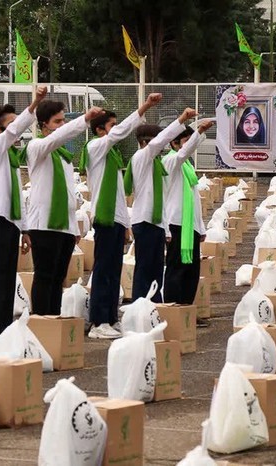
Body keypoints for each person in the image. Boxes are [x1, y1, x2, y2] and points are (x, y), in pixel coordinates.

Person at [80, 93, 162, 339]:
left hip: (116, 219)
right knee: (103, 271)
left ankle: (111, 318)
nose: (116, 130)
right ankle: (98, 322)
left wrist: (125, 224)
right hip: (104, 219)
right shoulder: (95, 148)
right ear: (99, 130)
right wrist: (144, 106)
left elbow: (118, 196)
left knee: (114, 271)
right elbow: (120, 133)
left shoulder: (113, 157)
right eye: (111, 125)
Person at [0, 86, 47, 342]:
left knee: (8, 277)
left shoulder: (12, 158)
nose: (17, 129)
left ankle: (5, 330)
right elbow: (15, 130)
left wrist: (25, 230)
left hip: (12, 223)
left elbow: (19, 196)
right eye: (11, 124)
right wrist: (35, 103)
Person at [25, 101, 104, 316]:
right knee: (44, 275)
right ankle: (42, 320)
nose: (62, 125)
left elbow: (69, 194)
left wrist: (74, 227)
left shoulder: (64, 157)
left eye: (63, 120)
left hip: (65, 226)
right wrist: (84, 119)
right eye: (57, 121)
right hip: (44, 224)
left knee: (59, 277)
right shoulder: (36, 148)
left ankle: (54, 320)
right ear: (44, 124)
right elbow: (57, 138)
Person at [125, 107, 198, 305]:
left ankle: (154, 307)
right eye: (155, 141)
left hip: (156, 222)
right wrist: (181, 119)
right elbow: (161, 142)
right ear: (144, 142)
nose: (161, 146)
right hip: (144, 221)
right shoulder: (141, 157)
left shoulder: (157, 165)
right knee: (145, 269)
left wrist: (165, 229)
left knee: (157, 271)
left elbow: (162, 200)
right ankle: (141, 306)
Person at [162, 119, 214, 305]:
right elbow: (183, 153)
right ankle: (172, 307)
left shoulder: (188, 167)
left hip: (190, 225)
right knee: (176, 267)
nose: (190, 145)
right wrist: (199, 131)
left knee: (192, 270)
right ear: (174, 143)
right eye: (186, 141)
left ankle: (186, 309)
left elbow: (194, 199)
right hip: (176, 224)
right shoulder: (170, 161)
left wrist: (201, 227)